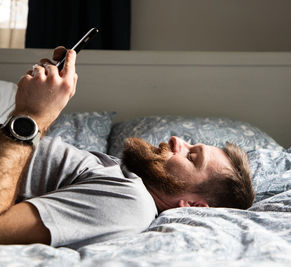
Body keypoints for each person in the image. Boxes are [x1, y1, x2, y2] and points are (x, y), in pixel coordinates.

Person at [0, 47, 255, 248]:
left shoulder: (131, 204)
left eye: (190, 156)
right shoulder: (124, 177)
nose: (177, 140)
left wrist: (31, 116)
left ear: (192, 205)